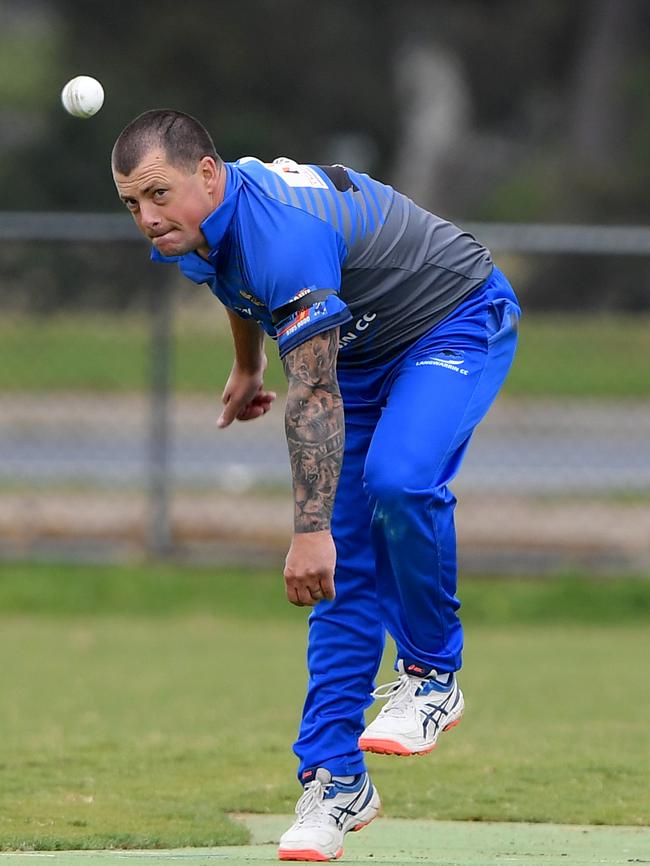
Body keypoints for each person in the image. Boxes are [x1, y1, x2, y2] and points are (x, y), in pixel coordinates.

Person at [112, 109, 521, 863]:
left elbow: (315, 396)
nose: (146, 217)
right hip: (359, 358)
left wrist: (307, 530)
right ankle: (336, 781)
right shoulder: (193, 230)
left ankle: (432, 674)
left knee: (396, 482)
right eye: (131, 203)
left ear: (209, 174)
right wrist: (247, 364)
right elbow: (237, 289)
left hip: (452, 318)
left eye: (156, 195)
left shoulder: (283, 231)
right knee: (341, 575)